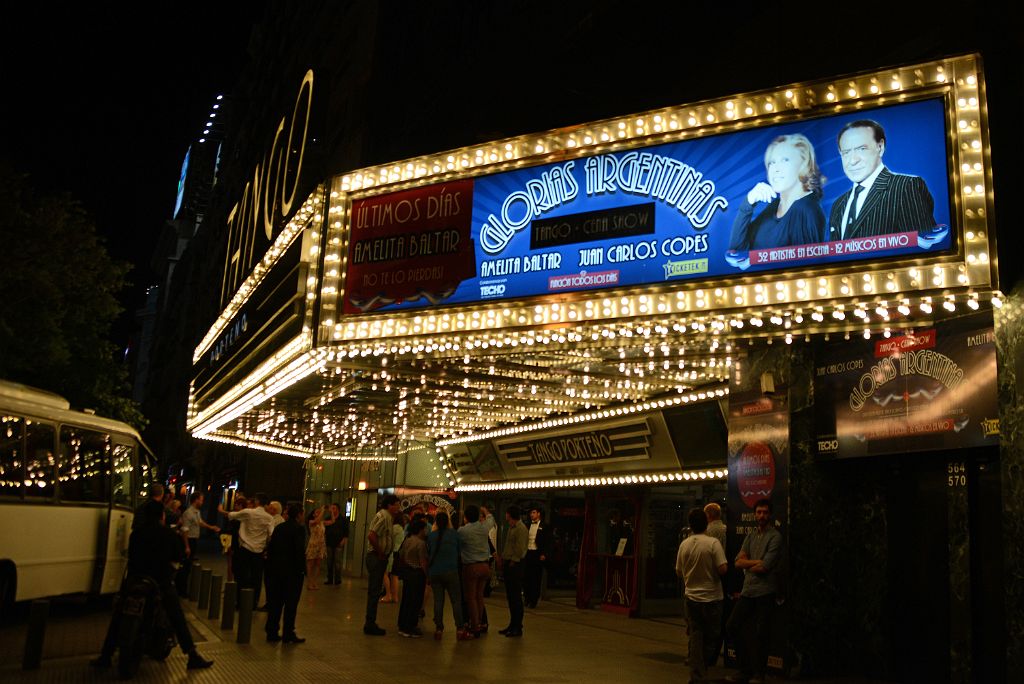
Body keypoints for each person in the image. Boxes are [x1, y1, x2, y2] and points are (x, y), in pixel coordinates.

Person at [91, 500, 214, 671]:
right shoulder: (168, 534)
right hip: (160, 582)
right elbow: (179, 555)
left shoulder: (136, 534)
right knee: (177, 616)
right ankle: (192, 655)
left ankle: (106, 656)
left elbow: (131, 556)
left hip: (135, 581)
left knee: (118, 616)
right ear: (162, 516)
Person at [828, 119, 936, 240]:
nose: (853, 161)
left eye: (862, 149)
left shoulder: (905, 187)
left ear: (880, 147)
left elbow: (924, 248)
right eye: (846, 152)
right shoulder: (838, 205)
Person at [729, 133, 826, 251]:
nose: (775, 169)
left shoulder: (805, 209)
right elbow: (737, 250)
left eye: (785, 160)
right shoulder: (775, 206)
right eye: (772, 163)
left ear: (803, 163)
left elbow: (807, 265)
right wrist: (748, 202)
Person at [726, 499, 783, 684]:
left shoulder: (775, 537)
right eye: (759, 512)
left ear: (770, 514)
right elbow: (737, 562)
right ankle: (745, 669)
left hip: (765, 592)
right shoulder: (750, 536)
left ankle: (759, 674)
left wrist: (750, 563)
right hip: (748, 591)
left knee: (761, 634)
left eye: (765, 512)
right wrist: (755, 562)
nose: (761, 516)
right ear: (754, 514)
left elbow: (765, 567)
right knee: (732, 626)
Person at [677, 508, 728, 683]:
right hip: (713, 598)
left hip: (691, 597)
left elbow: (678, 571)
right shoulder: (713, 544)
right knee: (712, 636)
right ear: (706, 523)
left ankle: (697, 673)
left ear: (690, 525)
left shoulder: (684, 544)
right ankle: (703, 669)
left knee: (696, 635)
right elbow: (723, 568)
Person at [219, 492, 273, 609]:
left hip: (245, 548)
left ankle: (239, 602)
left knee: (242, 576)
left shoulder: (249, 512)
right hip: (259, 551)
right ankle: (253, 603)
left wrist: (220, 510)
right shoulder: (269, 518)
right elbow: (271, 535)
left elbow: (231, 515)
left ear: (257, 502)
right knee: (256, 578)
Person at [265, 503, 307, 644]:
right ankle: (288, 633)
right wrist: (302, 570)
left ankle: (272, 631)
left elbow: (271, 547)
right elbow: (299, 551)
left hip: (276, 571)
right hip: (292, 573)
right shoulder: (299, 530)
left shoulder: (279, 528)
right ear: (299, 515)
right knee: (290, 604)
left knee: (276, 602)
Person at [427, 511, 471, 640]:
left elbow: (428, 552)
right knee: (456, 601)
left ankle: (439, 629)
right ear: (448, 522)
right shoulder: (454, 535)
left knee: (438, 601)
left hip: (435, 572)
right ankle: (460, 629)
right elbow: (459, 551)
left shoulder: (431, 536)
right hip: (451, 571)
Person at [364, 494, 401, 635]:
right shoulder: (384, 517)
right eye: (396, 504)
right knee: (374, 591)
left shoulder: (387, 517)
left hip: (379, 557)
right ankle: (370, 623)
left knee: (375, 590)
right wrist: (380, 552)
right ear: (389, 505)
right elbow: (372, 535)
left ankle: (370, 621)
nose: (398, 507)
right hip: (376, 557)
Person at [458, 504, 495, 635]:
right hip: (485, 566)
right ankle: (479, 622)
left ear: (466, 517)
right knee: (480, 596)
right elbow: (491, 519)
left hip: (471, 567)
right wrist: (485, 510)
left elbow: (457, 546)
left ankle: (474, 625)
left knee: (471, 598)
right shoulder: (484, 527)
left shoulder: (462, 531)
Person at [176, 492, 220, 597]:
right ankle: (181, 590)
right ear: (196, 500)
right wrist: (186, 546)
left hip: (194, 540)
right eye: (201, 499)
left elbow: (200, 522)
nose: (202, 502)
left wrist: (211, 527)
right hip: (189, 540)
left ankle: (184, 589)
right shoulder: (188, 513)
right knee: (185, 566)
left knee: (189, 565)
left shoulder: (197, 512)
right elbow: (185, 530)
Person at [498, 505, 528, 637]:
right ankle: (512, 624)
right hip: (509, 563)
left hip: (515, 565)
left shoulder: (521, 529)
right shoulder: (512, 527)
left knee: (515, 597)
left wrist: (513, 561)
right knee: (511, 597)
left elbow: (520, 549)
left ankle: (517, 626)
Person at [397, 519, 429, 637]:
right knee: (415, 601)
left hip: (407, 573)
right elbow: (423, 562)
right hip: (417, 574)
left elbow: (401, 555)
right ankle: (411, 626)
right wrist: (427, 575)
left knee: (406, 599)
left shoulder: (407, 540)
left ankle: (402, 625)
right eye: (425, 528)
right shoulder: (421, 543)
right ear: (420, 529)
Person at [523, 507, 551, 608]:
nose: (532, 514)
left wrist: (544, 554)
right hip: (528, 552)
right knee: (526, 577)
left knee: (536, 578)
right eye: (531, 512)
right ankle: (526, 598)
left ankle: (533, 600)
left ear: (538, 514)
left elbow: (548, 541)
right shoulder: (527, 525)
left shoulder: (545, 526)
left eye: (534, 512)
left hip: (537, 553)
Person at [324, 502, 349, 585]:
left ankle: (338, 579)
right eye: (331, 508)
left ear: (338, 510)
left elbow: (346, 532)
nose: (332, 510)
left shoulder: (343, 520)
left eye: (334, 508)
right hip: (329, 543)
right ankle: (330, 579)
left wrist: (343, 541)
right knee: (329, 562)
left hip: (338, 543)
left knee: (337, 562)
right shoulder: (328, 518)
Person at [305, 505, 326, 590]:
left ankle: (314, 582)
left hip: (320, 545)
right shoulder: (311, 521)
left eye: (319, 512)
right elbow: (317, 520)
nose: (319, 513)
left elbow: (332, 521)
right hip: (313, 544)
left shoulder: (322, 522)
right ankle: (309, 582)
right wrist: (322, 511)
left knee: (318, 564)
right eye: (317, 512)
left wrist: (331, 511)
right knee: (310, 564)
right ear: (313, 515)